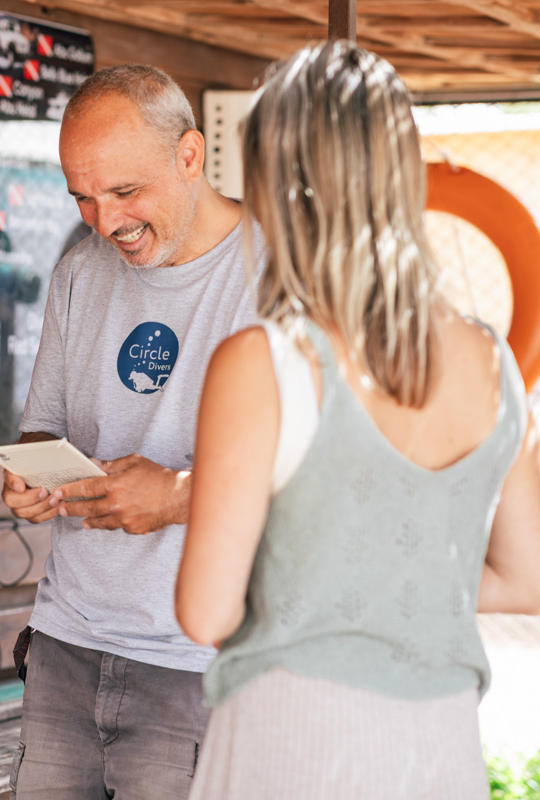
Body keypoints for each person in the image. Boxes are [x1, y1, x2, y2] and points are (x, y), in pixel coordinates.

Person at [175, 41, 540, 799]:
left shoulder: (264, 360)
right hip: (442, 746)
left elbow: (206, 611)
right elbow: (525, 577)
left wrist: (319, 581)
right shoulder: (492, 361)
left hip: (292, 740)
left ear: (277, 185)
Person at [2, 64, 263, 798]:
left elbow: (328, 475)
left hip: (205, 657)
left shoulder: (280, 274)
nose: (104, 221)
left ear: (190, 155)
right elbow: (43, 428)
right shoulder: (79, 273)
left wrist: (180, 496)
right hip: (65, 640)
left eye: (124, 191)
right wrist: (31, 474)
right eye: (82, 198)